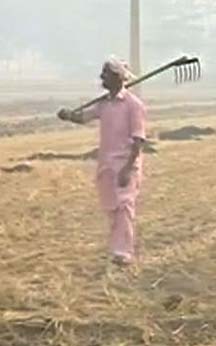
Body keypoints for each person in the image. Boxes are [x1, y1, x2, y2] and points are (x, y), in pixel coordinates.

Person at [57, 57, 146, 266]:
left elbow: (139, 140)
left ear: (116, 77)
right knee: (113, 208)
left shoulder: (134, 106)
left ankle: (123, 253)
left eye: (105, 73)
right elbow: (83, 117)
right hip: (106, 164)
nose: (101, 77)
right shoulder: (104, 104)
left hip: (125, 165)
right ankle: (117, 249)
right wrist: (68, 115)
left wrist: (127, 168)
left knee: (124, 207)